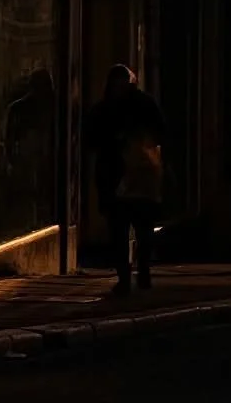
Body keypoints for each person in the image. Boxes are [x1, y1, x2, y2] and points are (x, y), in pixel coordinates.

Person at [85, 65, 165, 294]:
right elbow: (161, 132)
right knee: (140, 229)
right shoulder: (143, 104)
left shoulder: (104, 108)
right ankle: (140, 273)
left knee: (122, 231)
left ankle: (128, 277)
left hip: (121, 177)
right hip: (136, 177)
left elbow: (91, 140)